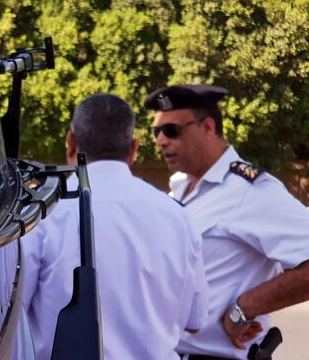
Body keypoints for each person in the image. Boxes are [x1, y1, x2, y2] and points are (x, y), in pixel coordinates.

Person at [21, 93, 209, 360]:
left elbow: (5, 311)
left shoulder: (44, 212)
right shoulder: (179, 218)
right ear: (133, 149)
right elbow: (195, 320)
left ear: (71, 142)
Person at [145, 84, 309, 360]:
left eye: (172, 131)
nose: (161, 141)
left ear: (208, 128)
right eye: (156, 132)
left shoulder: (250, 191)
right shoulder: (178, 190)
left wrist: (245, 307)